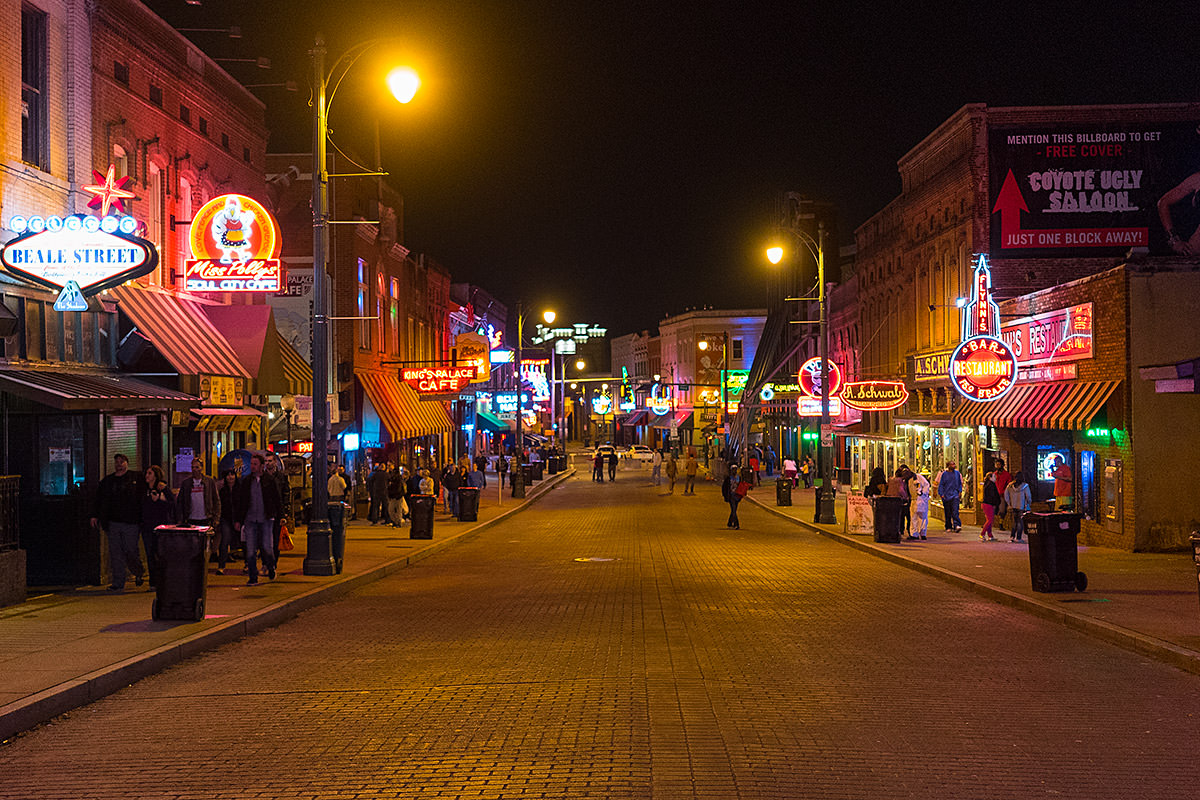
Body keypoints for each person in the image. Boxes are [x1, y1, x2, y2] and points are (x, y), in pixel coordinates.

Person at [92, 454, 147, 592]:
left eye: (122, 462)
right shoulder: (108, 481)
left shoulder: (136, 478)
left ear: (127, 463)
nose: (119, 464)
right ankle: (118, 582)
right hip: (113, 522)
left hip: (131, 522)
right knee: (116, 552)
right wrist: (94, 515)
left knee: (130, 550)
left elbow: (145, 492)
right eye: (117, 462)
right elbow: (99, 499)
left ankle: (138, 572)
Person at [232, 453, 282, 586]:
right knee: (250, 549)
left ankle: (271, 567)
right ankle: (253, 576)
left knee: (267, 547)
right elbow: (242, 502)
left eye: (255, 464)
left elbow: (277, 499)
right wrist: (239, 520)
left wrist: (280, 516)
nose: (252, 467)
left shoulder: (269, 480)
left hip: (266, 518)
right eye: (251, 464)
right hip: (250, 519)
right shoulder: (247, 481)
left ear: (261, 466)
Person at [140, 465, 177, 587]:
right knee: (150, 554)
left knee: (159, 554)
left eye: (150, 474)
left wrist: (160, 500)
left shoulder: (162, 489)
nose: (147, 476)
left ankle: (162, 580)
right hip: (147, 527)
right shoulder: (144, 489)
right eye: (147, 473)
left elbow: (171, 505)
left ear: (155, 476)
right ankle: (153, 581)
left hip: (160, 527)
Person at [178, 457, 220, 531]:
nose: (194, 470)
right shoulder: (186, 483)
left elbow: (216, 500)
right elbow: (180, 501)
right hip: (190, 518)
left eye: (197, 467)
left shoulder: (209, 482)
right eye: (193, 467)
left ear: (202, 468)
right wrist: (181, 518)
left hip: (206, 518)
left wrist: (216, 518)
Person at [263, 455, 291, 560]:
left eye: (270, 461)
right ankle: (267, 561)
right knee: (265, 539)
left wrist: (285, 512)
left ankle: (273, 562)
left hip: (277, 511)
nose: (267, 463)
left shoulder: (281, 476)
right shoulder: (261, 477)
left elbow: (285, 494)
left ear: (275, 462)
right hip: (265, 511)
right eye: (265, 461)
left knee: (275, 538)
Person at [215, 470, 238, 574]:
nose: (230, 477)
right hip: (226, 518)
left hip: (238, 518)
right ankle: (221, 566)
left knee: (243, 541)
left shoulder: (240, 489)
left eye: (232, 475)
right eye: (228, 475)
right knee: (224, 541)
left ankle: (247, 564)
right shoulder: (223, 490)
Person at [1004, 471, 1033, 542]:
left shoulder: (1010, 486)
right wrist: (1028, 503)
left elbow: (1006, 495)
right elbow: (1028, 496)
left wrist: (1009, 503)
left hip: (1013, 505)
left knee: (1014, 522)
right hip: (1021, 506)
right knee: (1020, 522)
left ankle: (1012, 536)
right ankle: (1018, 537)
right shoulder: (1025, 486)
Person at [937, 461, 963, 532]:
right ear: (948, 465)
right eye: (952, 464)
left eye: (954, 464)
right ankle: (948, 526)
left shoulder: (957, 473)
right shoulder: (944, 474)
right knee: (947, 512)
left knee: (955, 511)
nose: (953, 465)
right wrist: (941, 494)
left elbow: (959, 483)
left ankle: (957, 525)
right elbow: (941, 484)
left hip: (955, 495)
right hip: (946, 495)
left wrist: (960, 491)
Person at [907, 468, 931, 540]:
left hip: (921, 499)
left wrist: (922, 493)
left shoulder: (918, 477)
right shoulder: (908, 480)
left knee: (922, 517)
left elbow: (926, 485)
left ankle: (923, 533)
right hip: (913, 499)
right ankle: (914, 534)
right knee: (913, 517)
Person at [981, 471, 1001, 541]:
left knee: (989, 520)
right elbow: (992, 496)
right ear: (990, 477)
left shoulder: (987, 484)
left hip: (986, 504)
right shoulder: (991, 485)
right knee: (990, 520)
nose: (995, 478)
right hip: (989, 504)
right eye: (994, 477)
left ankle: (990, 535)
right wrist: (995, 503)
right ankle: (982, 534)